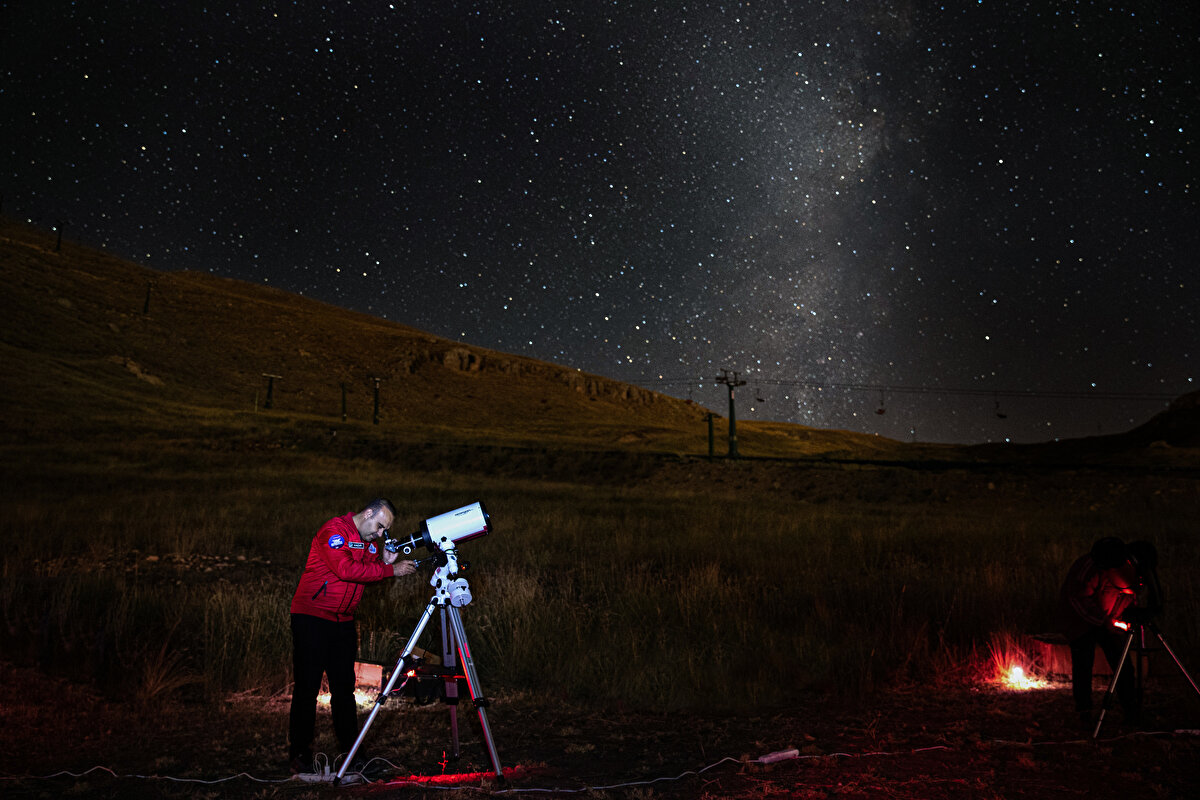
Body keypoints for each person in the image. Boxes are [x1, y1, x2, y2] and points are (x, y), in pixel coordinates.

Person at [287, 498, 416, 774]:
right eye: (379, 526)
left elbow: (367, 574)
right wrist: (391, 570)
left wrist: (384, 560)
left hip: (342, 621)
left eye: (385, 531)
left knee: (344, 690)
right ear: (368, 513)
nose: (380, 534)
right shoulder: (334, 531)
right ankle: (299, 753)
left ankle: (352, 754)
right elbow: (346, 570)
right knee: (307, 688)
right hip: (312, 617)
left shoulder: (369, 544)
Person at [1056, 536, 1140, 728]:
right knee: (1083, 662)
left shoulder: (1125, 567)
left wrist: (1125, 618)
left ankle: (1130, 708)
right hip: (1080, 620)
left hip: (1109, 618)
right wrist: (1103, 621)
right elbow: (1077, 598)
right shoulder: (1087, 569)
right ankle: (1084, 711)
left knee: (1122, 662)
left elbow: (1128, 594)